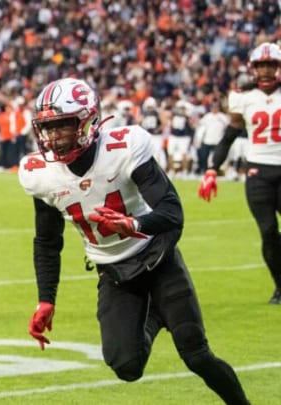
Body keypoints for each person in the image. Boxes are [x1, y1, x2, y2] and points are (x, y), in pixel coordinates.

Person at [18, 78, 250, 404]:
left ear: (87, 121)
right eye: (47, 128)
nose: (53, 138)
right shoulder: (39, 173)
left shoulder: (124, 147)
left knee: (196, 354)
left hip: (156, 258)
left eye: (62, 127)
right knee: (126, 366)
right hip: (113, 271)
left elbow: (171, 212)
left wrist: (135, 223)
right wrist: (46, 299)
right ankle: (155, 315)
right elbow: (46, 241)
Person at [199, 42, 281, 305]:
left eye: (271, 65)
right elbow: (231, 134)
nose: (266, 71)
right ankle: (280, 287)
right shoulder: (243, 97)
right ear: (253, 69)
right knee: (268, 231)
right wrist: (212, 167)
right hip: (258, 172)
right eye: (261, 66)